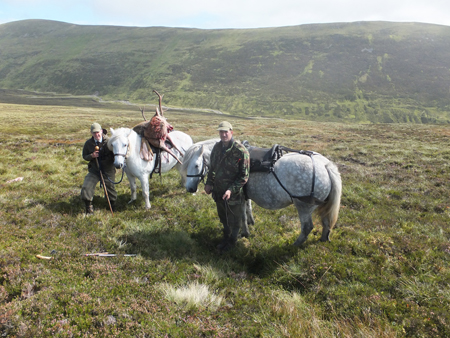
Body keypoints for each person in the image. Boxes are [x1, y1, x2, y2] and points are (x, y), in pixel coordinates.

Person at [204, 121, 250, 253]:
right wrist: (209, 183)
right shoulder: (217, 148)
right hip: (218, 192)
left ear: (231, 132)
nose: (223, 134)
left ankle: (232, 241)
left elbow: (244, 177)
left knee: (234, 219)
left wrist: (231, 190)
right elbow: (212, 168)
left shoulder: (241, 151)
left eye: (226, 132)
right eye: (221, 132)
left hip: (233, 195)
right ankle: (225, 237)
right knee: (223, 217)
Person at [81, 122, 117, 214]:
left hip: (108, 169)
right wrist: (91, 156)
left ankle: (112, 206)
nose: (96, 134)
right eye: (94, 133)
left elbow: (117, 154)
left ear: (101, 131)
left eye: (98, 132)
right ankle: (89, 207)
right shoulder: (88, 143)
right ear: (91, 133)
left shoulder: (110, 142)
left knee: (110, 189)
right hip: (95, 169)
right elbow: (84, 156)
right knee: (86, 187)